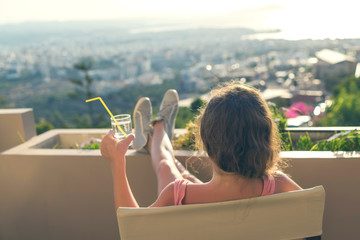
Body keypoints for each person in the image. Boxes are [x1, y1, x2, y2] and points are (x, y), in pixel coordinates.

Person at [100, 82, 301, 209]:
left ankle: (156, 133)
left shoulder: (177, 195)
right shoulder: (279, 185)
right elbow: (310, 208)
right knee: (183, 175)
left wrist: (117, 162)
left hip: (191, 200)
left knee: (166, 168)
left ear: (206, 143)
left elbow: (134, 229)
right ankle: (158, 132)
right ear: (266, 139)